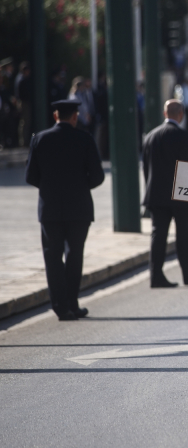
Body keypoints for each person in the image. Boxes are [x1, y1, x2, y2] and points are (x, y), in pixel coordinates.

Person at [25, 99, 105, 321]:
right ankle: (73, 303)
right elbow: (98, 176)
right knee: (74, 255)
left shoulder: (40, 139)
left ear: (55, 116)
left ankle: (60, 305)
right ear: (75, 117)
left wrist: (50, 188)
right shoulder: (85, 139)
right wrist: (79, 187)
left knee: (52, 257)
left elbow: (30, 176)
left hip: (50, 208)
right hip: (79, 208)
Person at [141, 100, 188, 288]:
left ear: (164, 113)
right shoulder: (182, 135)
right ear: (181, 114)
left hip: (156, 195)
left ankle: (156, 275)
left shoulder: (150, 136)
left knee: (158, 236)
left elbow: (145, 168)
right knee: (183, 234)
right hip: (180, 194)